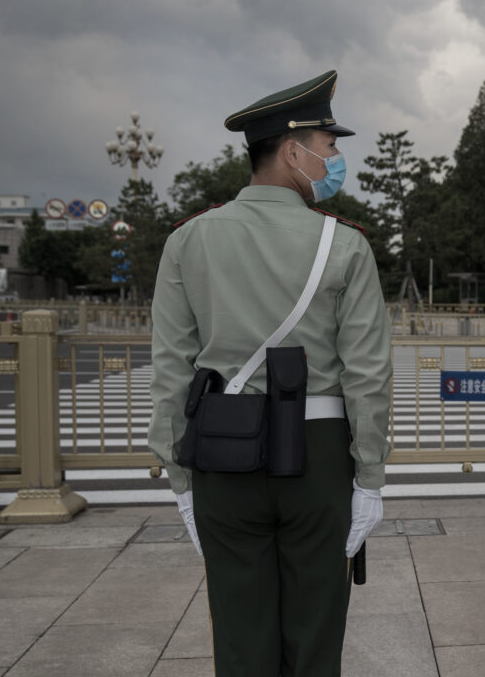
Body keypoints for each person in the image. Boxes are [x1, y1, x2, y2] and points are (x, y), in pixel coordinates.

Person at [147, 70, 392, 677]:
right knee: (315, 631)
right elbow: (366, 374)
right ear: (292, 152)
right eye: (329, 146)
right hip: (316, 457)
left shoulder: (188, 240)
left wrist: (179, 480)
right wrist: (370, 478)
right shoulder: (345, 245)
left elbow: (172, 370)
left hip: (223, 457)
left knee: (239, 631)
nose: (335, 159)